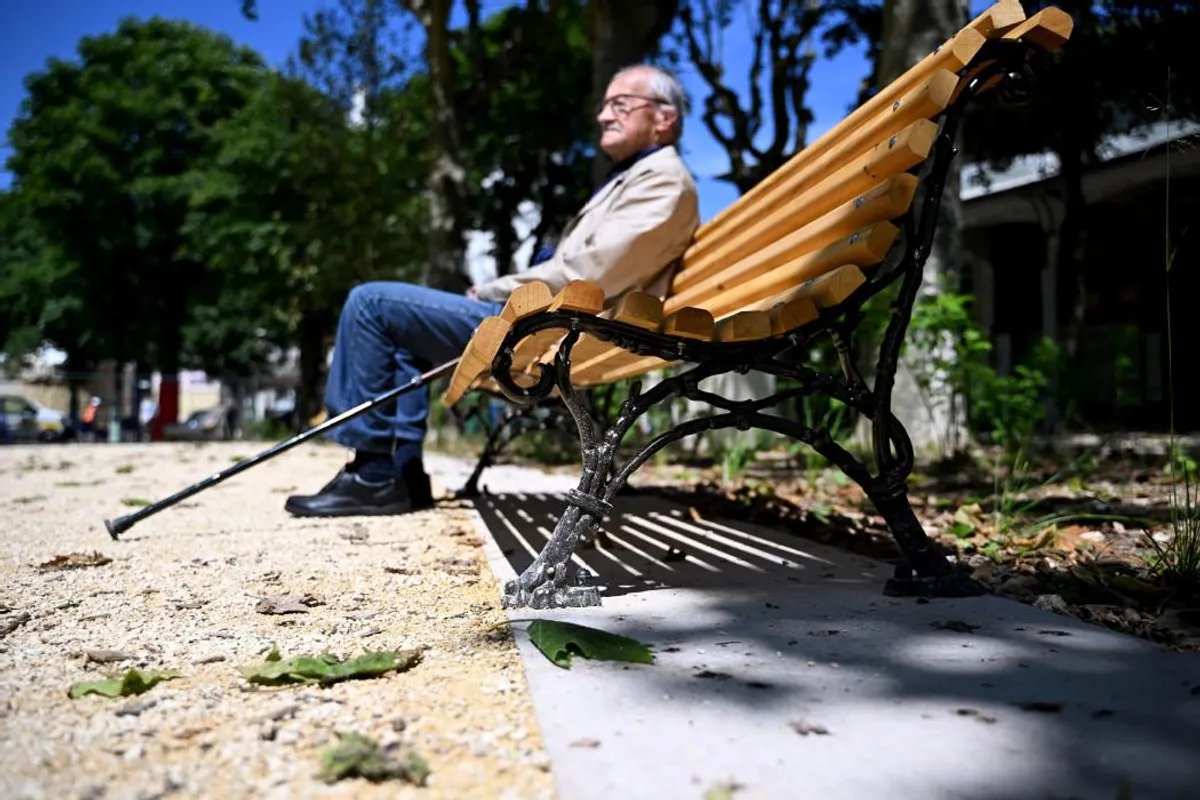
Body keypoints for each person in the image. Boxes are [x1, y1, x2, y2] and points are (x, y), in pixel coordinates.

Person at [284, 64, 700, 518]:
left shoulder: (662, 180)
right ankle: (397, 474)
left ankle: (373, 475)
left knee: (372, 304)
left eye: (620, 104)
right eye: (603, 106)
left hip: (561, 330)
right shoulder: (638, 177)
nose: (603, 116)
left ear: (664, 119)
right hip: (557, 326)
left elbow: (589, 274)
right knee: (399, 326)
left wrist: (489, 291)